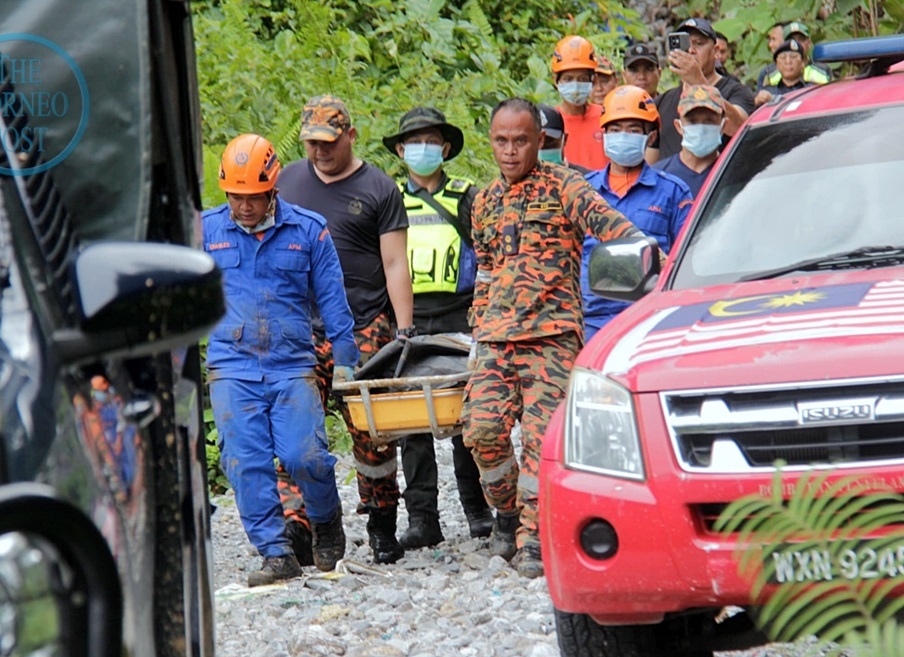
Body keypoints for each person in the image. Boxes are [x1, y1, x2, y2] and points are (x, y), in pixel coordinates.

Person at [465, 97, 659, 578]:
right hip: (495, 338)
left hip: (551, 337)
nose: (510, 151)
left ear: (540, 141)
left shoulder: (565, 187)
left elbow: (623, 234)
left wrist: (632, 277)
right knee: (481, 431)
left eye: (521, 141)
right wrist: (476, 331)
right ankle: (507, 514)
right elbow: (486, 270)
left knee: (540, 444)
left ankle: (536, 538)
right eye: (501, 141)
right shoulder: (485, 200)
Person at [203, 134, 359, 586]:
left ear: (272, 187)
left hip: (292, 364)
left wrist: (345, 358)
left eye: (252, 197)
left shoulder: (308, 231)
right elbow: (183, 300)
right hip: (232, 365)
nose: (244, 206)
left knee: (303, 455)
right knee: (244, 460)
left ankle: (326, 520)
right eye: (235, 196)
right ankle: (275, 552)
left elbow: (333, 300)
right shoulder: (206, 231)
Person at [275, 95, 413, 565]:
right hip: (298, 328)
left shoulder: (379, 188)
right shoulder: (288, 180)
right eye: (312, 143)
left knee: (371, 434)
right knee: (295, 430)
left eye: (329, 143)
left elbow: (395, 263)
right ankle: (299, 525)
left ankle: (381, 521)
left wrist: (404, 329)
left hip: (364, 322)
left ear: (351, 136)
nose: (319, 152)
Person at [378, 106, 494, 548]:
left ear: (445, 149)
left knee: (464, 413)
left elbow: (487, 253)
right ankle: (422, 519)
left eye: (431, 141)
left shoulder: (467, 196)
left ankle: (477, 509)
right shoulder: (388, 199)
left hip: (460, 313)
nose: (422, 150)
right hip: (408, 317)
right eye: (414, 142)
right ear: (401, 149)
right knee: (412, 421)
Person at [582, 86, 692, 341]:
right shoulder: (582, 192)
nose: (623, 136)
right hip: (591, 323)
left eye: (633, 130)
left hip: (649, 321)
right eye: (616, 129)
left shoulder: (672, 192)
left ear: (650, 137)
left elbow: (685, 259)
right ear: (604, 134)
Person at [648, 17, 755, 163]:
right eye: (685, 44)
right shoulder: (662, 102)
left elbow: (741, 130)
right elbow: (650, 163)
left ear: (716, 51)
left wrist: (698, 81)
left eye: (699, 44)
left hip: (717, 182)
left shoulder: (737, 92)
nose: (691, 50)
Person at [654, 84, 727, 197]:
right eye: (692, 121)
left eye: (709, 120)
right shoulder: (658, 176)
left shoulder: (732, 175)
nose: (701, 128)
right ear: (679, 126)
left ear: (723, 126)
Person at [550, 34, 608, 171]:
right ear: (556, 80)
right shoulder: (550, 122)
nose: (575, 86)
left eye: (582, 79)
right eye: (568, 79)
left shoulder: (606, 117)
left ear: (592, 79)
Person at [756, 20, 833, 90]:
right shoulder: (769, 74)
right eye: (791, 39)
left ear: (809, 43)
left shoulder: (823, 71)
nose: (796, 43)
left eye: (801, 39)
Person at [754, 39, 816, 106]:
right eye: (783, 57)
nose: (788, 61)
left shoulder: (813, 90)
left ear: (803, 62)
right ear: (776, 64)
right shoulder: (768, 93)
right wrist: (757, 101)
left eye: (793, 57)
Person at [538, 103, 589, 174]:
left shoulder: (586, 179)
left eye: (548, 142)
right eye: (535, 143)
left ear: (564, 139)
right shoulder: (518, 181)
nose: (540, 149)